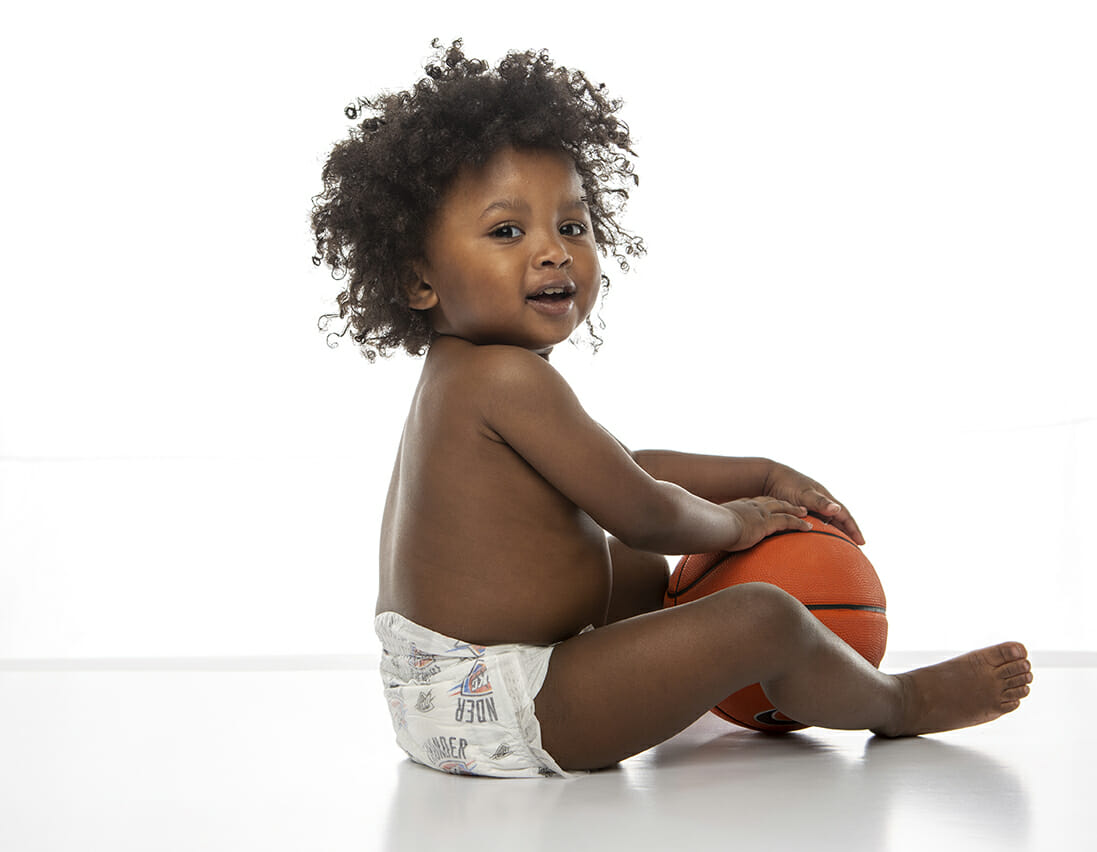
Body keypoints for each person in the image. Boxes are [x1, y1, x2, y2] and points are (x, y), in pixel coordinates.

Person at [311, 41, 1032, 778]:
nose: (554, 252)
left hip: (442, 690)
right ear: (418, 280)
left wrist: (760, 473)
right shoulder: (505, 377)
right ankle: (898, 702)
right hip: (507, 702)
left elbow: (615, 472)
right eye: (507, 231)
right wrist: (738, 520)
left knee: (633, 570)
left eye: (572, 226)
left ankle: (692, 674)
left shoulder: (462, 373)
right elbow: (644, 510)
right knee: (762, 614)